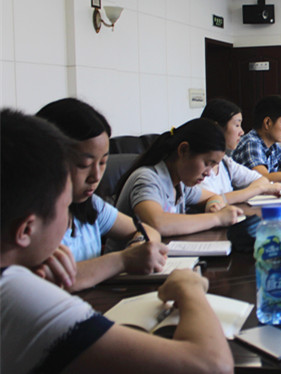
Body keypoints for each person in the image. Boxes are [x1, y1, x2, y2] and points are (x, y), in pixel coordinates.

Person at [0, 109, 233, 374]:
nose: (94, 177)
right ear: (26, 230)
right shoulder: (16, 294)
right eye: (64, 206)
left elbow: (144, 230)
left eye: (103, 162)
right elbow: (211, 365)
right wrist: (189, 288)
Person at [34, 98, 167, 291]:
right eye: (84, 165)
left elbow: (149, 231)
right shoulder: (29, 221)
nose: (96, 176)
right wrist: (124, 260)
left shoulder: (92, 205)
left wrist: (138, 245)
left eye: (103, 162)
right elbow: (52, 281)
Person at [116, 118, 243, 236]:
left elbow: (213, 196)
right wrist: (217, 218)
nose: (208, 173)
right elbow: (157, 223)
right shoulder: (147, 179)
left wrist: (213, 205)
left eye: (213, 166)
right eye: (207, 163)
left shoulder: (180, 184)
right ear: (183, 150)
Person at [198, 98, 281, 205]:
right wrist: (258, 189)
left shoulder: (225, 162)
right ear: (217, 127)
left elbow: (262, 179)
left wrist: (257, 188)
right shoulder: (197, 167)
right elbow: (213, 200)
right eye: (237, 125)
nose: (242, 132)